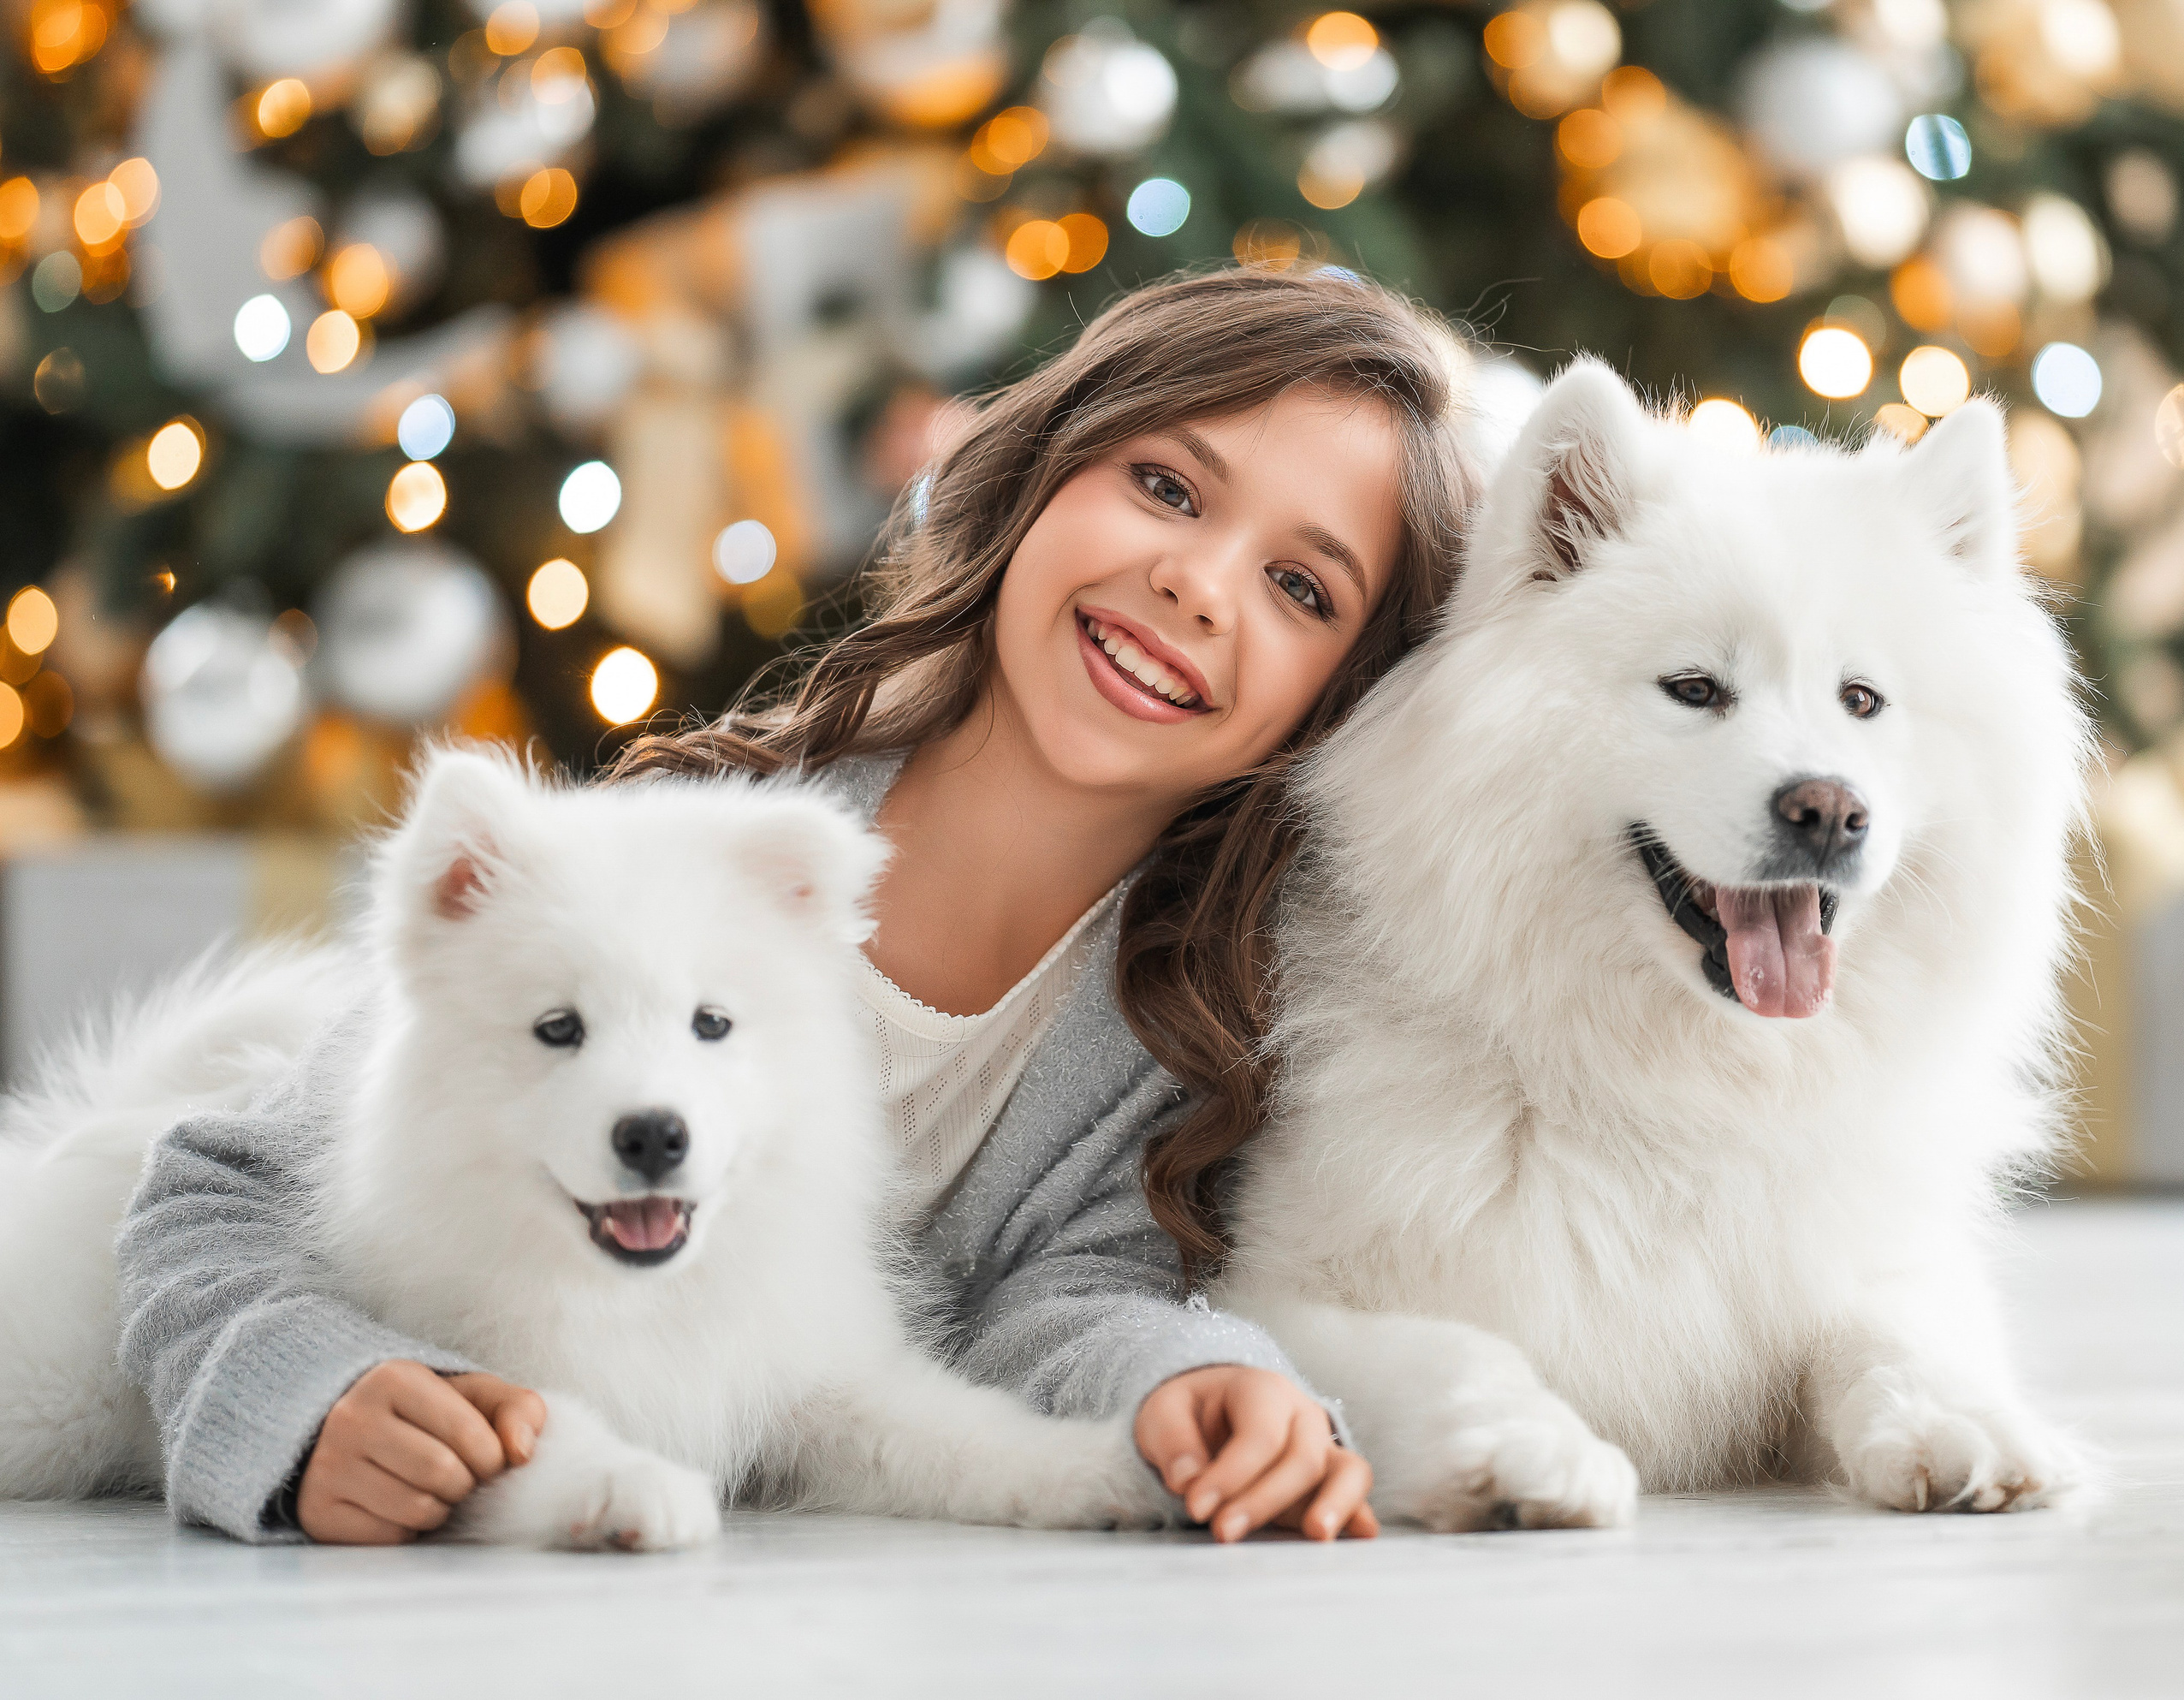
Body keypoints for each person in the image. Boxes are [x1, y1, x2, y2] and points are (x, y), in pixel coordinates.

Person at [116, 266, 1477, 1548]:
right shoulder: (688, 852)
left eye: (1301, 587)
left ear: (1340, 704)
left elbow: (1060, 1301)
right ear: (1039, 474)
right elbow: (216, 1191)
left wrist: (1198, 1380)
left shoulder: (1181, 1018)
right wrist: (312, 1403)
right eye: (1167, 486)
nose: (1199, 584)